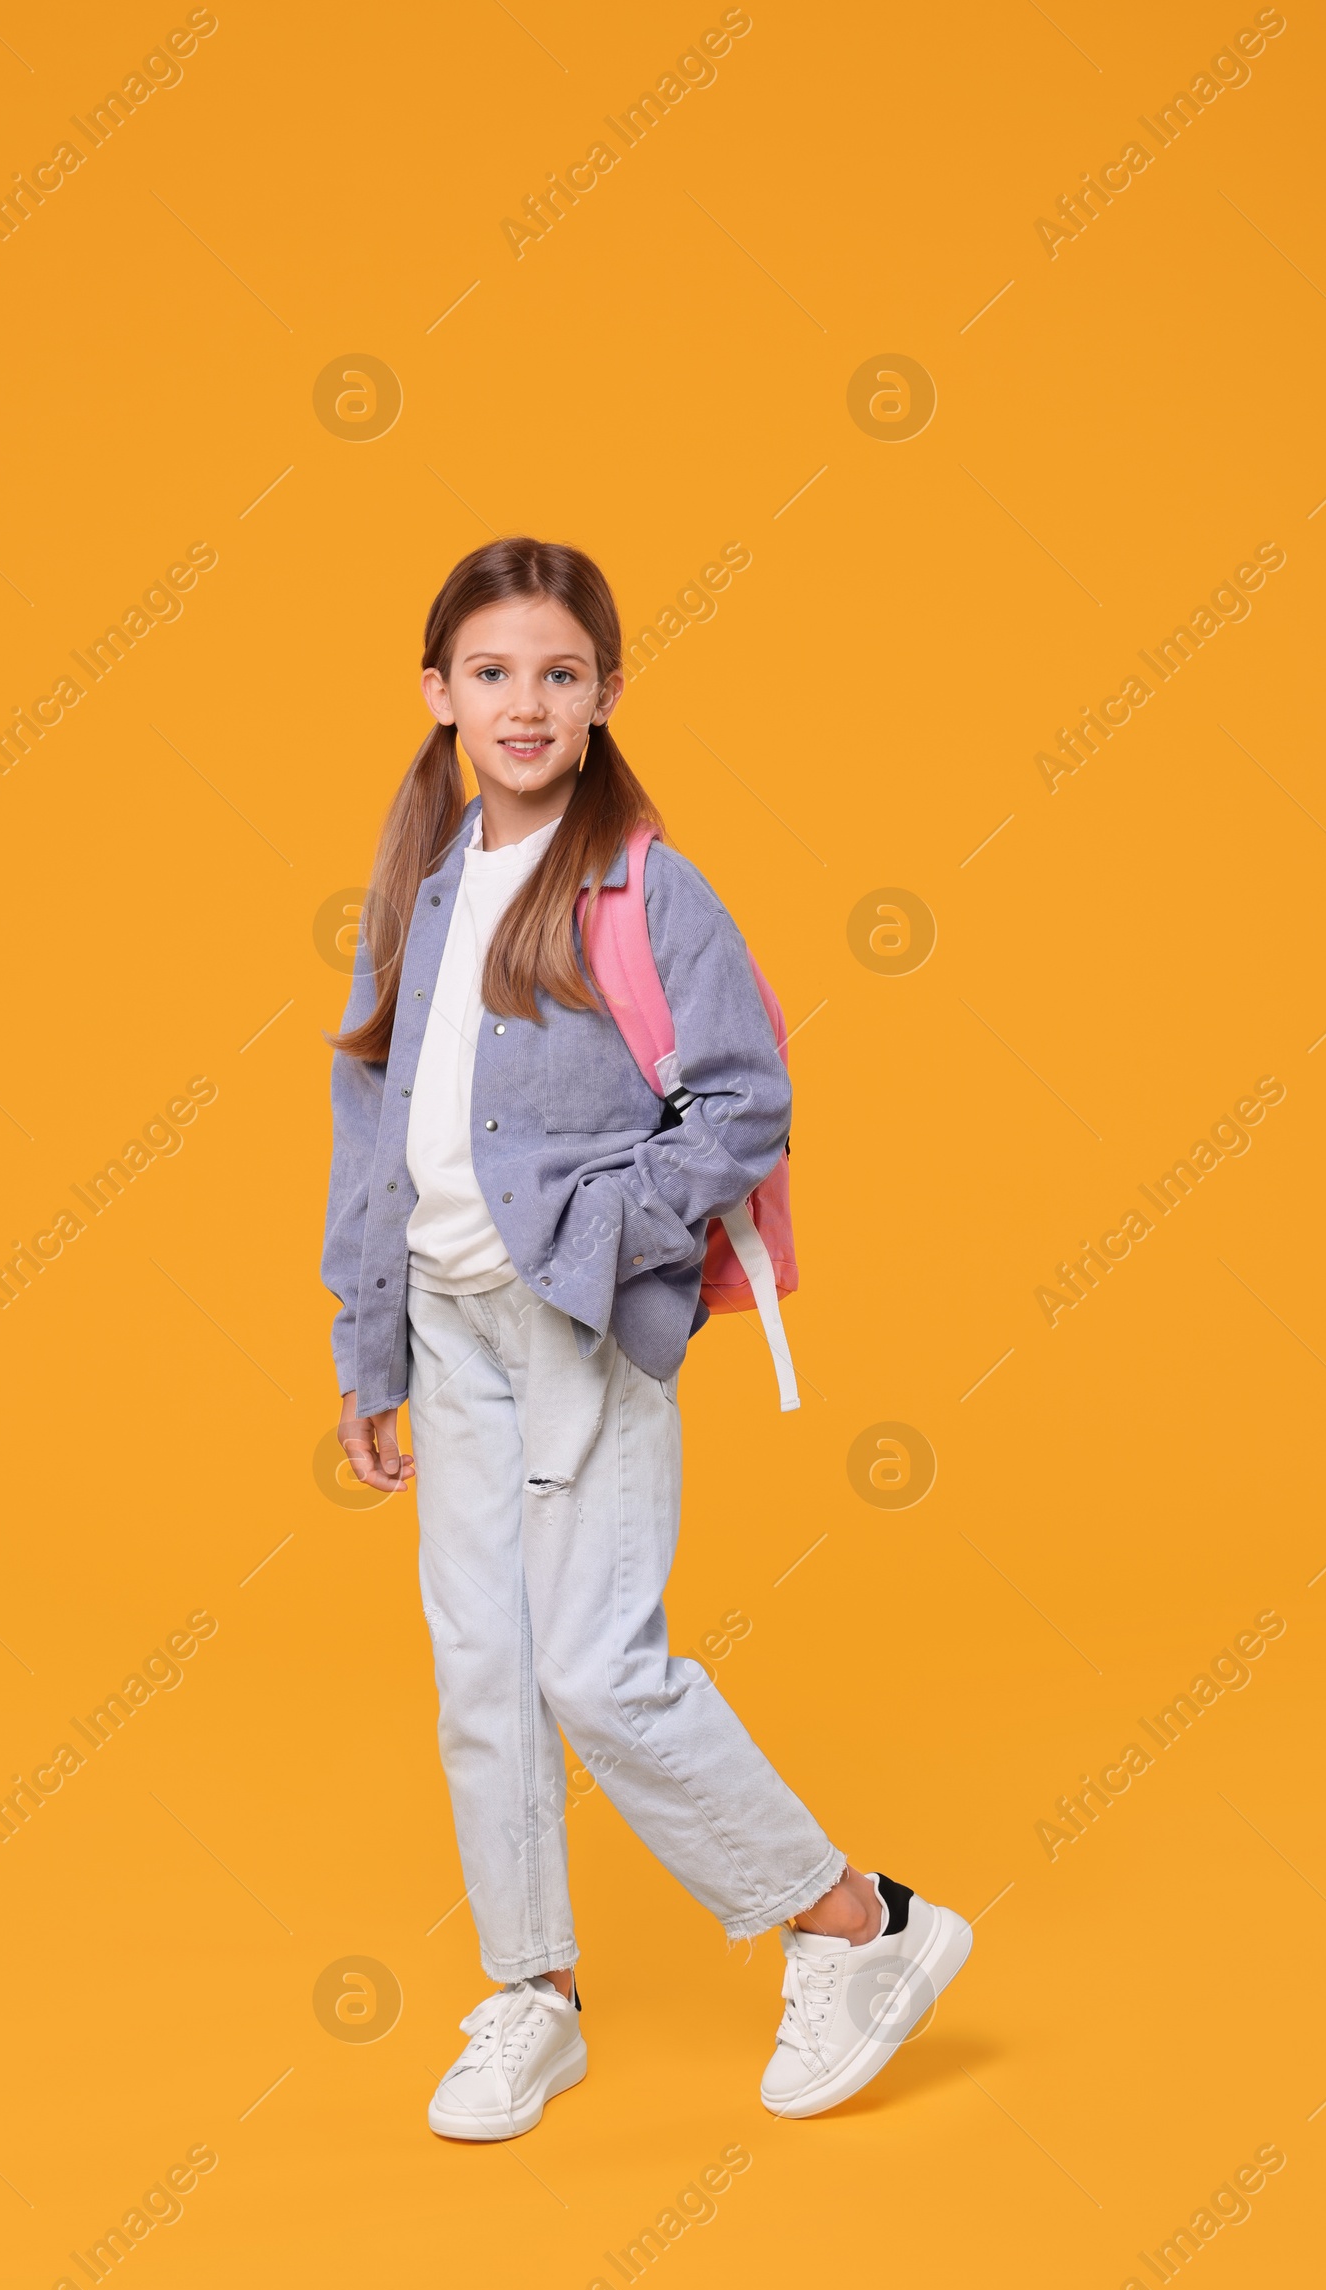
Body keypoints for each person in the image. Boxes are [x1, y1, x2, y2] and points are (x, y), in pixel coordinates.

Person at [321, 536, 970, 2138]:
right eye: (492, 673)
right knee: (484, 1670)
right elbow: (369, 1122)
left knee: (596, 1668)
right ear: (438, 692)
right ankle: (530, 1996)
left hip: (576, 1328)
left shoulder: (643, 887)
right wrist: (369, 1344)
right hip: (451, 1325)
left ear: (607, 692)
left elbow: (744, 1097)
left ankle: (860, 1923)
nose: (525, 702)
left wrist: (609, 1235)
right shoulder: (418, 884)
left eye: (559, 672)